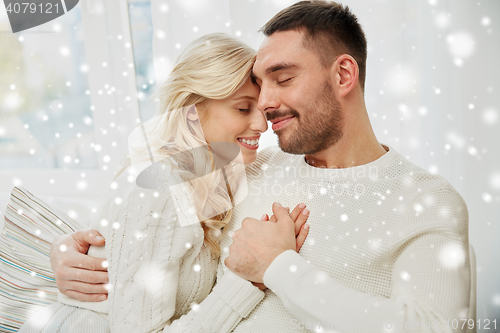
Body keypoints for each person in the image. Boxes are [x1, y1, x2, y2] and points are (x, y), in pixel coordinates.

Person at [51, 1, 472, 332]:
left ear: (343, 75)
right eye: (258, 87)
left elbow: (434, 328)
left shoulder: (423, 200)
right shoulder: (245, 166)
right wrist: (79, 251)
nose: (266, 106)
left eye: (283, 79)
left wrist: (279, 267)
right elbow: (144, 208)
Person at [18, 33, 310, 333]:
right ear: (193, 111)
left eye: (262, 110)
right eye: (243, 108)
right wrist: (249, 281)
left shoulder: (210, 177)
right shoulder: (159, 189)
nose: (262, 125)